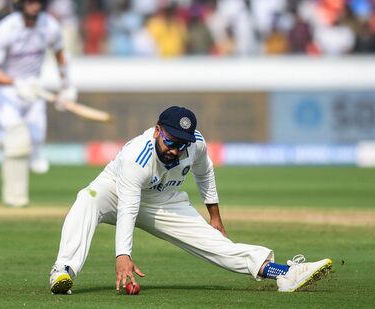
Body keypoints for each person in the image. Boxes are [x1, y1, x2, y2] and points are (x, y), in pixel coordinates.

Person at [49, 106, 333, 294]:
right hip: (116, 192)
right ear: (158, 130)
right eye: (171, 141)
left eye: (181, 143)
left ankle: (285, 273)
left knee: (215, 244)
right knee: (87, 199)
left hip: (163, 200)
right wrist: (123, 255)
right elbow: (128, 208)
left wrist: (215, 218)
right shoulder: (138, 156)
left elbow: (205, 174)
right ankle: (64, 270)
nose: (175, 149)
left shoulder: (194, 144)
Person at [0, 0, 77, 207]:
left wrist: (66, 87)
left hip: (34, 90)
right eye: (30, 2)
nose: (34, 6)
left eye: (38, 2)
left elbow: (60, 56)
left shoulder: (49, 26)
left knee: (34, 149)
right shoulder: (6, 28)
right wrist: (16, 83)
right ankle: (15, 198)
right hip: (7, 90)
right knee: (17, 138)